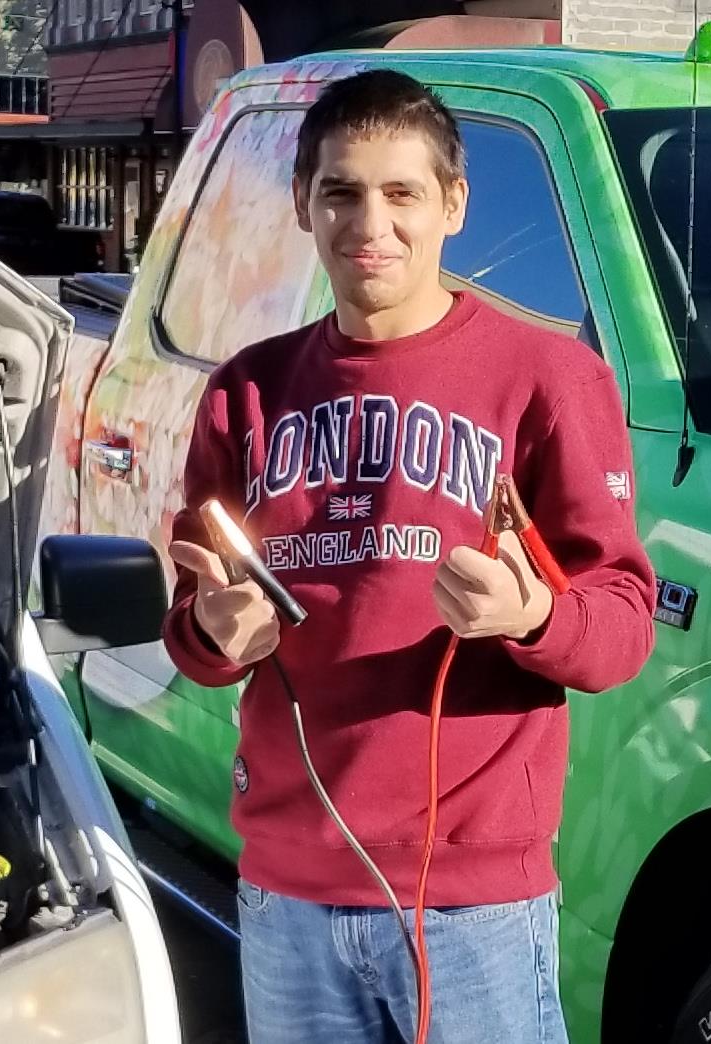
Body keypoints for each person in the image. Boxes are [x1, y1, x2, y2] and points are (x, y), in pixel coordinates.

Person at [160, 69, 657, 1044]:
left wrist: (534, 617)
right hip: (288, 890)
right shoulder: (246, 392)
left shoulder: (548, 379)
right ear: (303, 203)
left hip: (469, 905)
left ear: (453, 205)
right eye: (341, 192)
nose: (369, 224)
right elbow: (190, 628)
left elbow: (622, 631)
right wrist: (217, 633)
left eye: (402, 194)